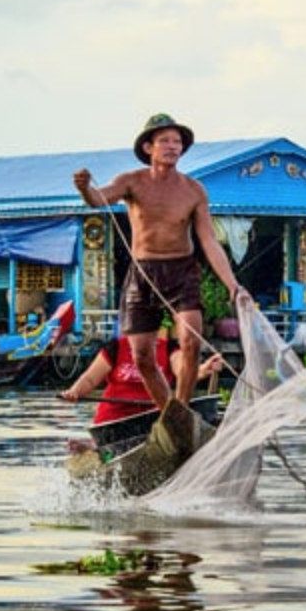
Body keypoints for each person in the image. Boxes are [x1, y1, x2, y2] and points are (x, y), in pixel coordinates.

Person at [72, 113, 244, 418]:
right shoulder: (131, 182)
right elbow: (99, 199)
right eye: (164, 140)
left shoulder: (194, 190)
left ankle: (181, 407)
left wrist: (232, 285)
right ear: (149, 147)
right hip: (143, 274)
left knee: (191, 340)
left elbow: (209, 240)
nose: (172, 146)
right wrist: (84, 188)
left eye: (177, 141)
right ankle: (169, 415)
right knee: (141, 356)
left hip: (182, 270)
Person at [59, 335, 225, 427]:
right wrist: (75, 391)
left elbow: (184, 370)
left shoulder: (167, 348)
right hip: (113, 421)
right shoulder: (117, 346)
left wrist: (203, 369)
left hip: (152, 419)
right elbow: (89, 379)